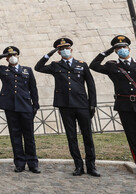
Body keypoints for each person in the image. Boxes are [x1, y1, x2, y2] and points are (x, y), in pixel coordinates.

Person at [90, 35, 136, 180]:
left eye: (124, 47)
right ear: (115, 51)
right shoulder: (112, 65)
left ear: (129, 48)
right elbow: (94, 65)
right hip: (126, 107)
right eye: (118, 48)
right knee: (133, 139)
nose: (122, 50)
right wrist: (107, 52)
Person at [35, 37, 98, 177]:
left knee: (87, 136)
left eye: (67, 48)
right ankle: (78, 166)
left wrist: (92, 104)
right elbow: (38, 67)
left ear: (71, 49)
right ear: (58, 52)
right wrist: (48, 54)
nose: (65, 51)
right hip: (65, 105)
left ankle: (91, 166)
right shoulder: (55, 65)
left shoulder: (82, 64)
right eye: (61, 49)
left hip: (82, 104)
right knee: (71, 137)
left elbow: (91, 85)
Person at [0, 46, 40, 173]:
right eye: (9, 56)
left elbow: (33, 88)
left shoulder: (27, 70)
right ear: (6, 58)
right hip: (10, 106)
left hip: (25, 106)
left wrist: (35, 105)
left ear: (18, 56)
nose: (12, 57)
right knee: (15, 136)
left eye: (14, 55)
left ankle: (33, 163)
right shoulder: (3, 70)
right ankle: (19, 163)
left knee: (29, 136)